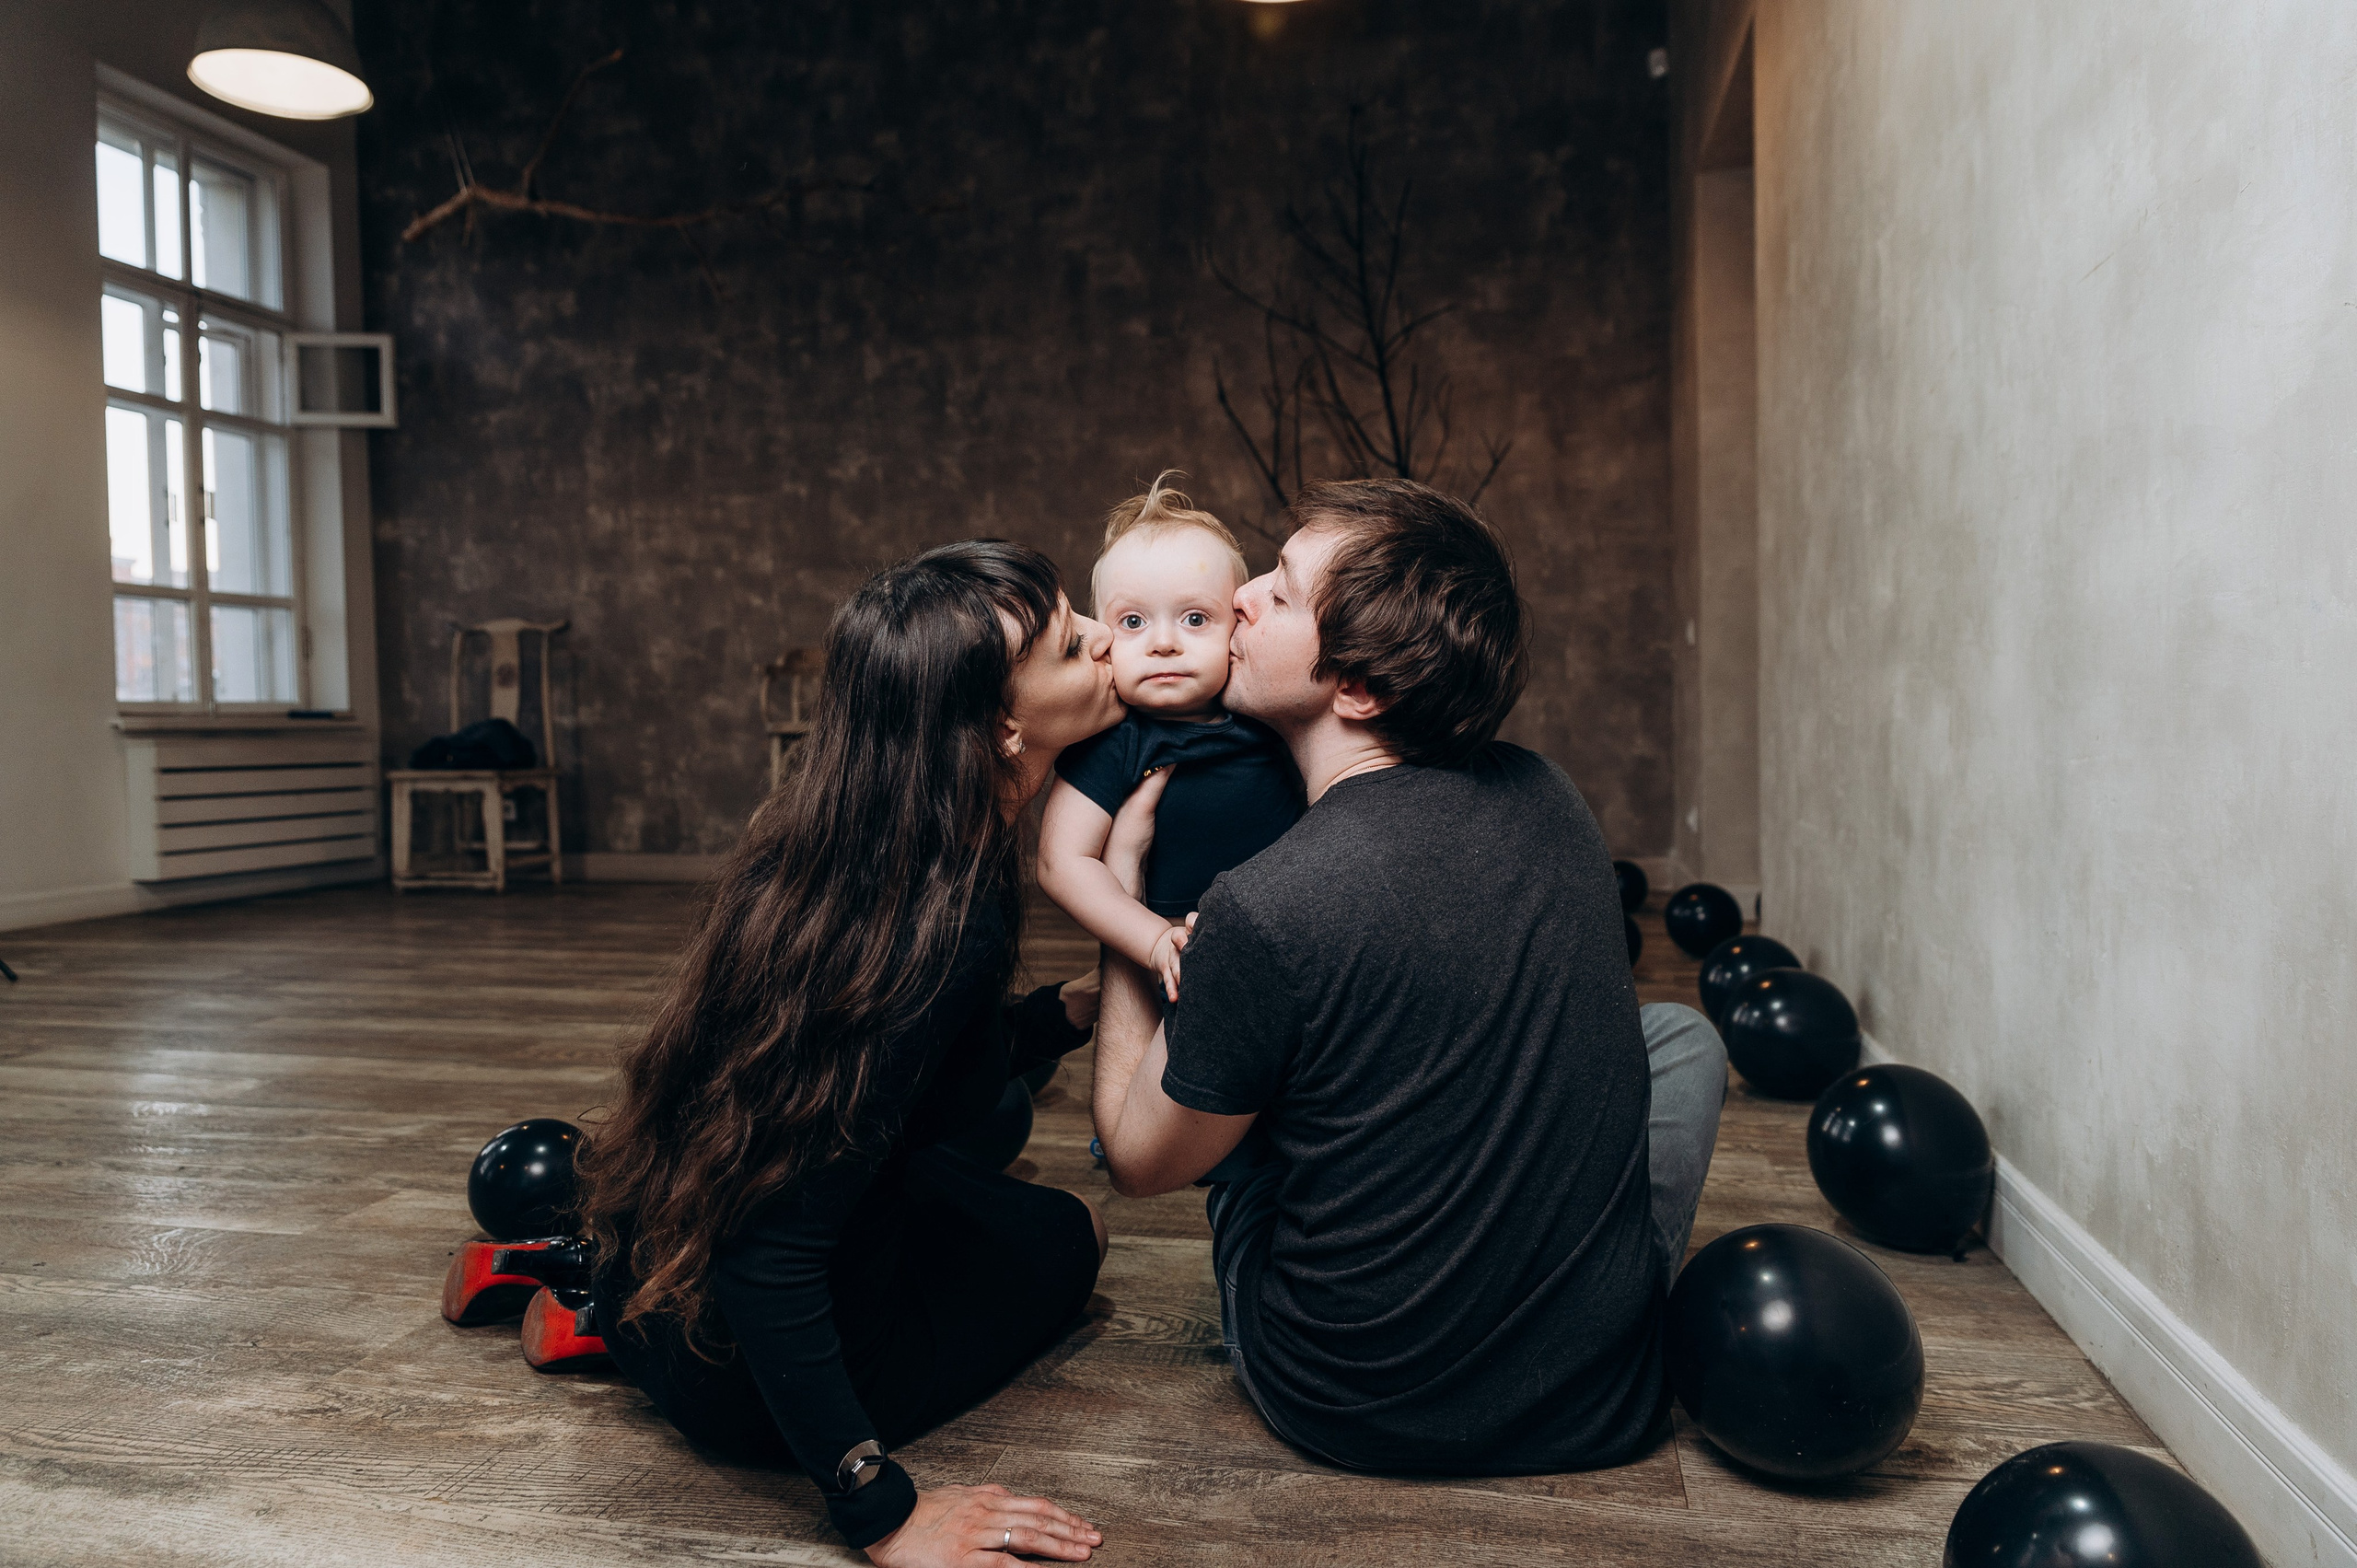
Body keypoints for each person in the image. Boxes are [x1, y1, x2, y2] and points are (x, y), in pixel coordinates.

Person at [1090, 477, 1728, 1476]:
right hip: (1596, 1405)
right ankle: (1572, 1310)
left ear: (1358, 689)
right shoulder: (1548, 793)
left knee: (1238, 1112)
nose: (1243, 595)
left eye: (1282, 592)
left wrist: (1120, 904)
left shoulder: (1261, 905)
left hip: (1345, 1400)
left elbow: (1135, 1162)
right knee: (1681, 1039)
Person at [575, 541, 1119, 1566]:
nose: (1103, 638)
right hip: (751, 1376)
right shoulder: (940, 925)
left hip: (652, 1285)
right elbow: (769, 1249)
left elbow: (921, 1069)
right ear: (1003, 726)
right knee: (1075, 1229)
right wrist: (881, 1510)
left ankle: (588, 1308)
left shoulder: (848, 849)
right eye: (1068, 641)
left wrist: (1065, 1012)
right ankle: (633, 1345)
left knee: (972, 1149)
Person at [1038, 473, 1300, 1003]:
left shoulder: (1272, 716)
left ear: (1238, 624)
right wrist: (1153, 939)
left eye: (1195, 618)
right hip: (1176, 959)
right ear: (1103, 635)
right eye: (1133, 621)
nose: (1162, 643)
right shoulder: (1115, 740)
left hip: (1292, 948)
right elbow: (1061, 862)